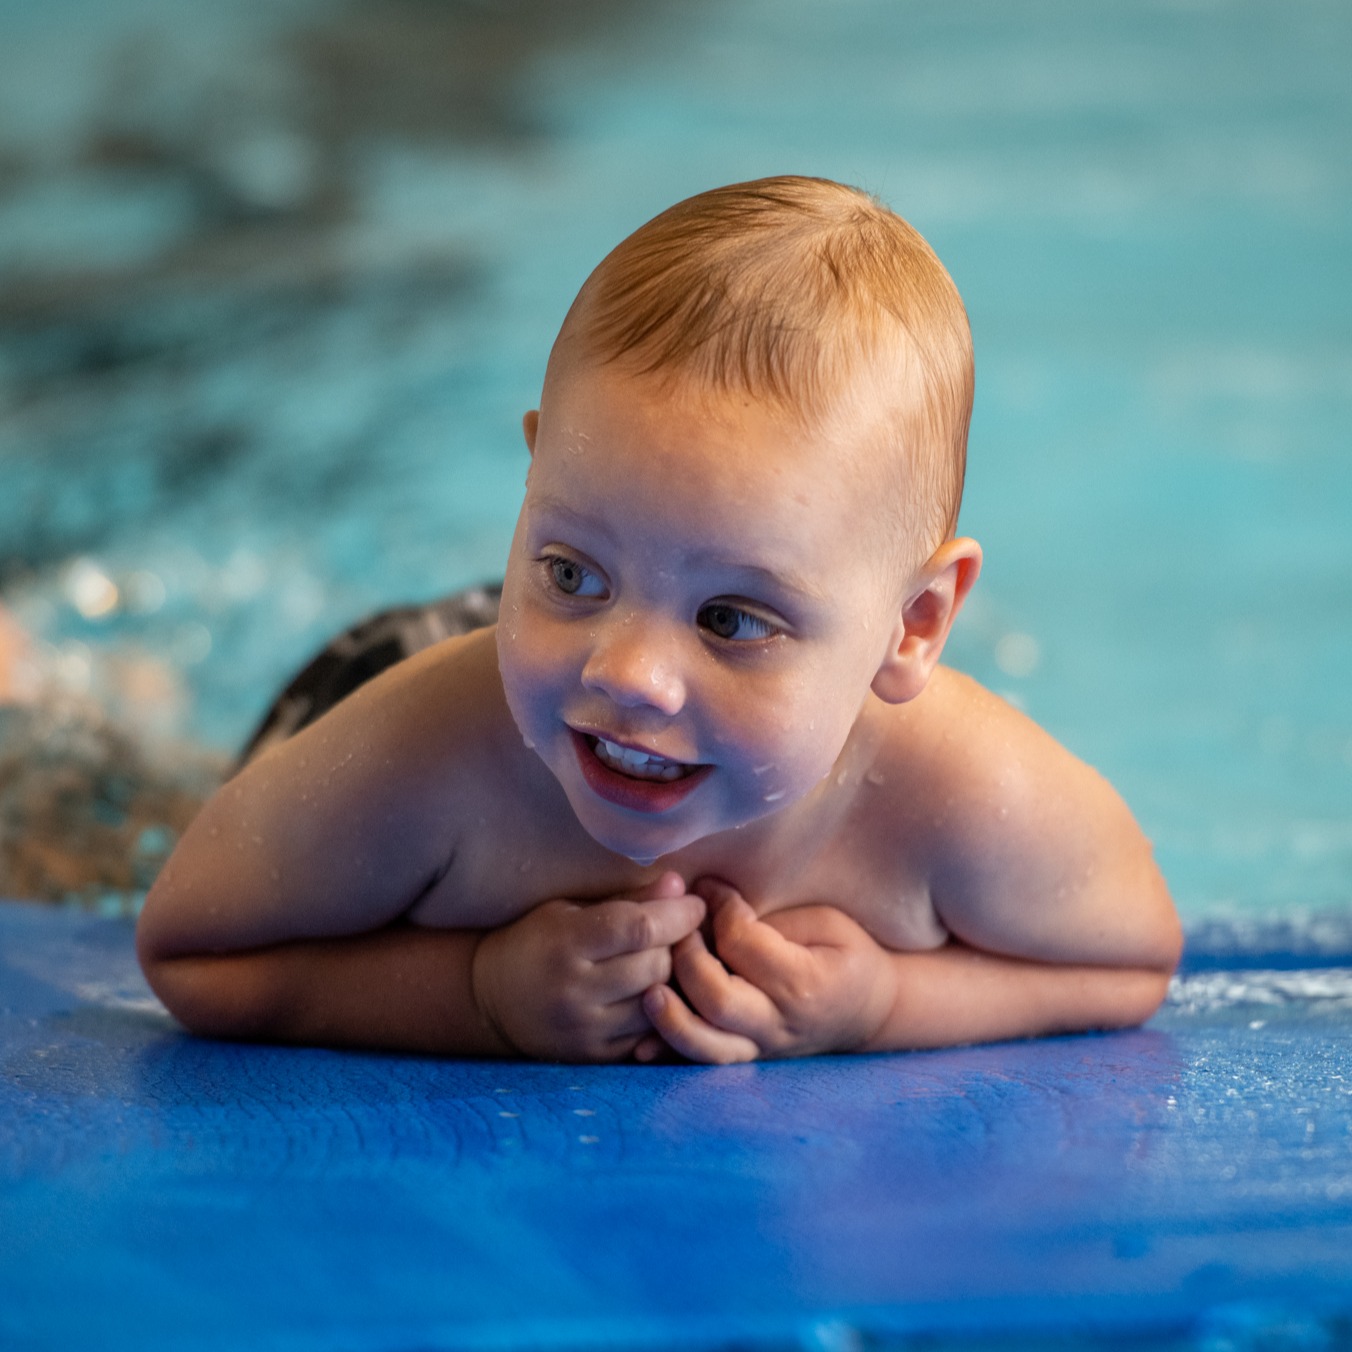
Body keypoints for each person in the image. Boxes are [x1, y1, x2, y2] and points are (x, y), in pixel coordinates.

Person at [136, 176, 1181, 1064]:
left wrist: (883, 1006)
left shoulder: (959, 792)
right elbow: (191, 952)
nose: (632, 671)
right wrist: (477, 995)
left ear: (910, 624)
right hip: (406, 668)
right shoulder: (424, 754)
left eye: (730, 617)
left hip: (533, 658)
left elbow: (1129, 962)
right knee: (101, 801)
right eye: (571, 565)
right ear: (535, 473)